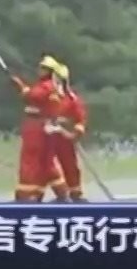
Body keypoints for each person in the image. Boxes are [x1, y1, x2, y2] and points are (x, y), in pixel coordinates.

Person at [11, 56, 64, 202]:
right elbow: (31, 98)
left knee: (30, 161)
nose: (39, 70)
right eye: (40, 67)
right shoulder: (49, 85)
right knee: (46, 163)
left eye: (44, 68)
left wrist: (20, 85)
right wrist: (21, 88)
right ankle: (60, 193)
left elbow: (33, 96)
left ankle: (25, 196)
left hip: (37, 127)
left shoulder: (47, 86)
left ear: (51, 71)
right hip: (42, 127)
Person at [49, 62, 89, 202]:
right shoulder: (48, 97)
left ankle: (75, 195)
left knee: (70, 166)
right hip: (48, 138)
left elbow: (80, 120)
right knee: (48, 166)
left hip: (64, 138)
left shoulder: (72, 100)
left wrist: (73, 134)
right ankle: (61, 194)